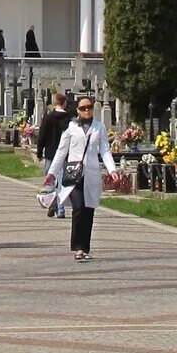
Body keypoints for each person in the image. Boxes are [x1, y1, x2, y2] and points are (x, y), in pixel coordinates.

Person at [44, 95, 117, 261]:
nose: (86, 111)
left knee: (88, 210)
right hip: (74, 173)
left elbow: (104, 150)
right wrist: (51, 173)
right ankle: (77, 247)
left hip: (91, 173)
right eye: (83, 108)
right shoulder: (71, 127)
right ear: (77, 110)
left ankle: (85, 247)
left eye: (89, 107)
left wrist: (112, 170)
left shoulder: (99, 127)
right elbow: (62, 151)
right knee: (78, 208)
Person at [36, 93, 71, 218]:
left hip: (50, 154)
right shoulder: (69, 119)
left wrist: (39, 152)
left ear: (55, 102)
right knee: (62, 182)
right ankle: (60, 208)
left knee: (50, 181)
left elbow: (42, 137)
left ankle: (51, 203)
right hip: (65, 155)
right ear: (64, 103)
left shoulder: (48, 118)